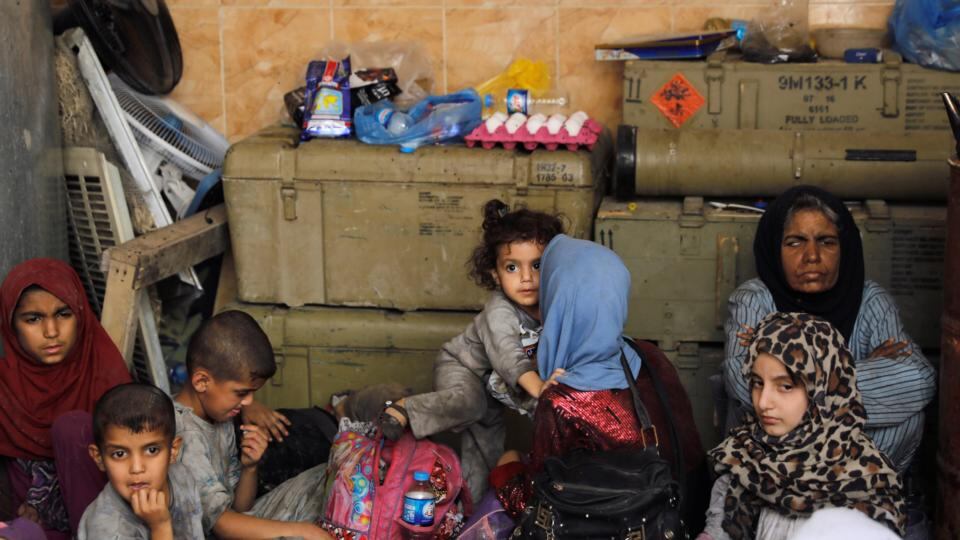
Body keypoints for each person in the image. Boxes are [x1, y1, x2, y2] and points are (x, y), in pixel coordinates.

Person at [490, 235, 707, 528]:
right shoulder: (649, 356)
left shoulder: (562, 399)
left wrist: (507, 468)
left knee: (507, 468)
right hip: (678, 517)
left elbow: (540, 503)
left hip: (614, 525)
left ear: (558, 300)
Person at [724, 185, 936, 472]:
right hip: (774, 465)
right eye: (795, 242)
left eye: (826, 242)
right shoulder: (754, 300)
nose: (812, 255)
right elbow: (742, 383)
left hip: (851, 466)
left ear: (844, 248)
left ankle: (833, 489)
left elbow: (918, 379)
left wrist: (787, 376)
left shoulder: (871, 301)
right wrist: (853, 371)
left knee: (910, 417)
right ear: (774, 248)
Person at [378, 199, 565, 502]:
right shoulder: (499, 311)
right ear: (495, 274)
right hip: (464, 368)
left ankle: (473, 512)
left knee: (486, 457)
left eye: (537, 265)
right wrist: (541, 389)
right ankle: (403, 409)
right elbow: (508, 356)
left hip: (496, 388)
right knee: (469, 403)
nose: (527, 277)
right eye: (512, 267)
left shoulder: (553, 305)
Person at [702, 312, 905, 539]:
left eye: (785, 386)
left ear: (823, 391)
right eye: (757, 383)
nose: (763, 402)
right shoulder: (743, 459)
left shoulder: (867, 479)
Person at [0, 258, 132, 538]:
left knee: (73, 428)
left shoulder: (104, 374)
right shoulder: (5, 387)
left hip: (107, 527)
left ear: (81, 315)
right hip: (32, 529)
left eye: (63, 314)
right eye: (33, 319)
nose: (51, 332)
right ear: (11, 325)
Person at [173, 310, 331, 539]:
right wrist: (302, 531)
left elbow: (240, 509)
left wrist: (249, 468)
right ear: (202, 381)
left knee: (325, 477)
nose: (249, 402)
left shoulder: (219, 415)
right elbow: (222, 526)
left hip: (233, 522)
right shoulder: (183, 435)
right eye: (241, 393)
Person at [79, 383, 204, 539]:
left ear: (173, 450)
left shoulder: (182, 477)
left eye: (152, 450)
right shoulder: (107, 530)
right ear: (99, 458)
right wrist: (160, 526)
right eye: (119, 454)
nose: (137, 468)